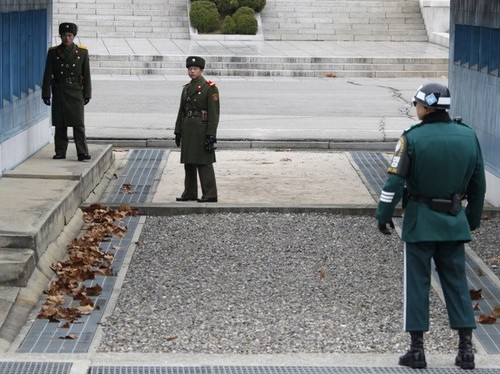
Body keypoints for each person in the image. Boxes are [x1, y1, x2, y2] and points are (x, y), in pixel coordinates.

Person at [375, 82, 486, 370]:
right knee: (457, 284)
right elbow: (478, 186)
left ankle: (417, 350)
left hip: (421, 222)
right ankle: (465, 350)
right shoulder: (468, 136)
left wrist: (383, 214)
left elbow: (394, 182)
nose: (415, 109)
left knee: (417, 283)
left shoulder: (412, 138)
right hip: (453, 221)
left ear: (425, 106)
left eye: (416, 104)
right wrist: (469, 220)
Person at [42, 22, 92, 161]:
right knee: (60, 124)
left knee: (78, 124)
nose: (67, 38)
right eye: (64, 35)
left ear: (74, 36)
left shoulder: (82, 52)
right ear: (60, 36)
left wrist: (87, 94)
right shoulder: (53, 52)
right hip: (59, 91)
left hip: (76, 92)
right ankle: (60, 151)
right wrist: (46, 93)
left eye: (69, 35)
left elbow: (86, 75)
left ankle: (82, 152)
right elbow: (47, 74)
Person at [174, 56, 220, 203]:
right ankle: (189, 192)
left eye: (195, 69)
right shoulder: (187, 88)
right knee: (189, 162)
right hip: (188, 128)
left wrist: (211, 135)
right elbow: (181, 111)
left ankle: (210, 193)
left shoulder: (209, 88)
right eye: (190, 69)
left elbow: (214, 113)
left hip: (201, 128)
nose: (192, 71)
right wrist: (178, 131)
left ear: (201, 70)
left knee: (204, 162)